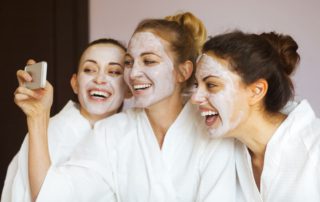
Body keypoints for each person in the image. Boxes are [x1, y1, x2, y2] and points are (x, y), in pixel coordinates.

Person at [18, 12, 237, 202]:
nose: (132, 74)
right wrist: (38, 116)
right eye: (129, 62)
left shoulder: (213, 131)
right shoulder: (111, 133)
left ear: (183, 71)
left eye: (149, 61)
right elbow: (53, 195)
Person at [192, 30, 320, 201]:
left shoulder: (315, 149)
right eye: (196, 85)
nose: (195, 98)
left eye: (211, 85)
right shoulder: (227, 152)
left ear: (256, 91)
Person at [2, 38, 128, 202]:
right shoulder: (46, 133)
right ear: (75, 83)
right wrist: (37, 117)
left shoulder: (132, 135)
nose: (100, 79)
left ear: (129, 87)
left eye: (114, 72)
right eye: (89, 69)